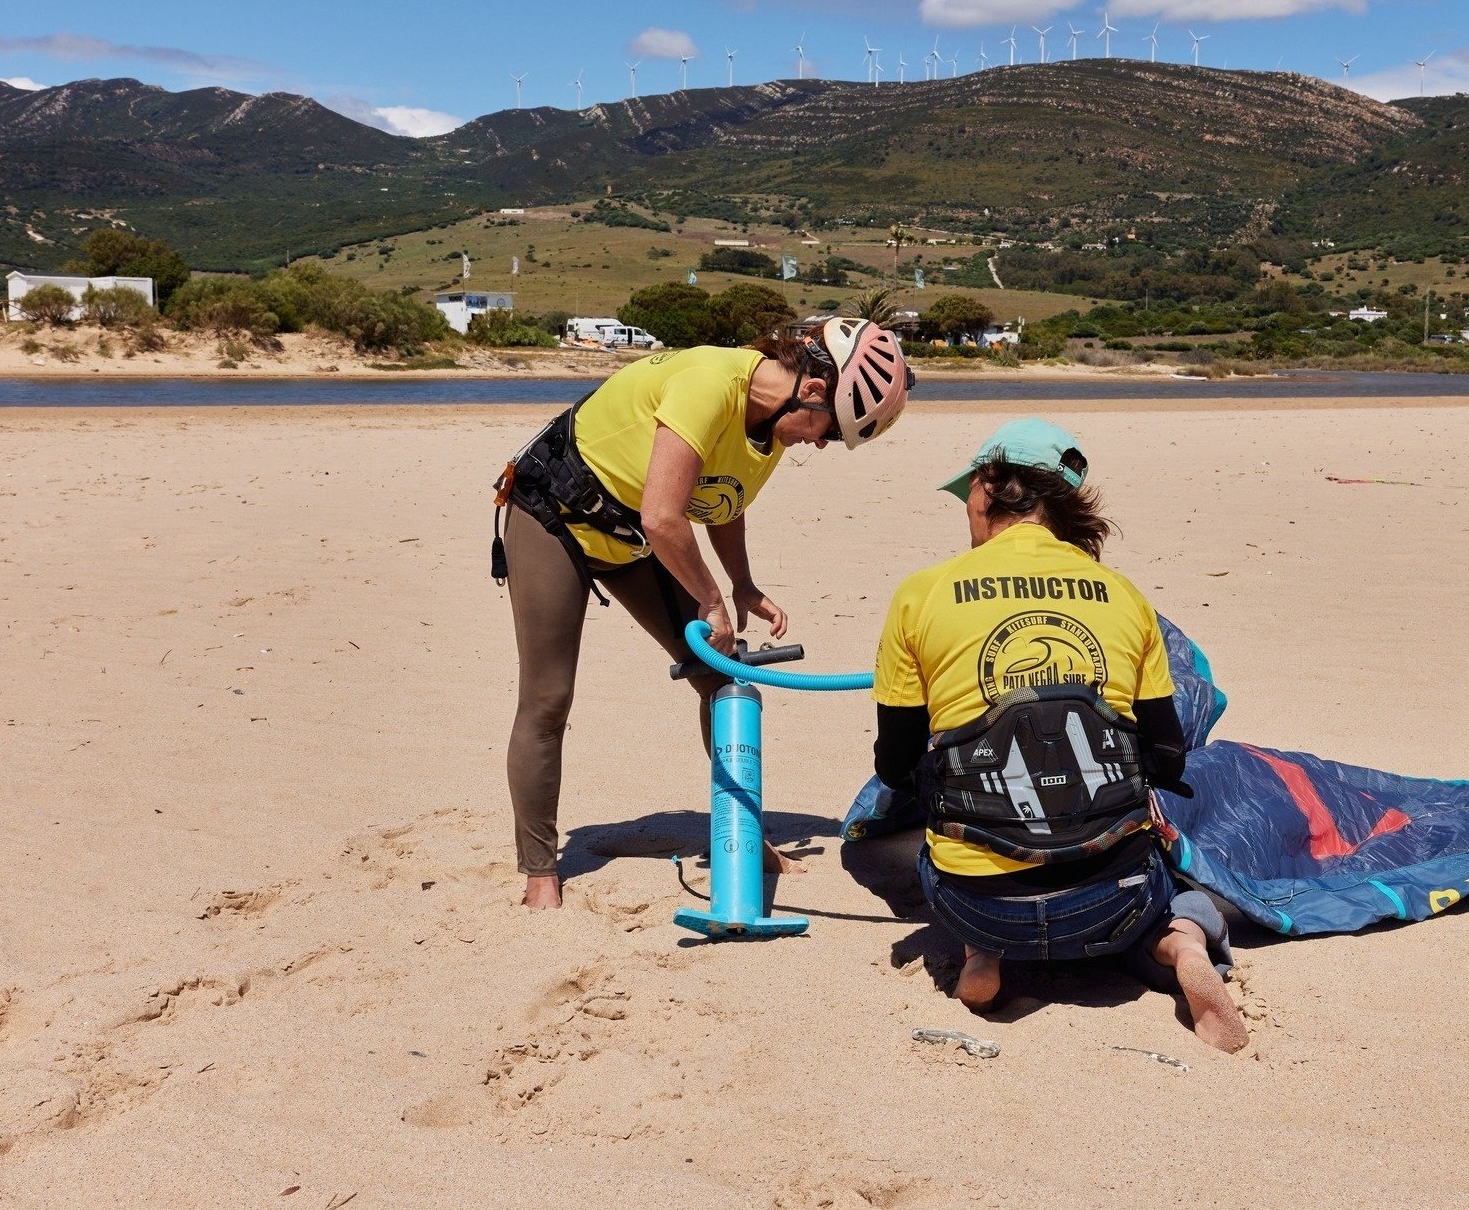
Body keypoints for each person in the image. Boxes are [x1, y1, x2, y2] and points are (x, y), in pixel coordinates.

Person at [495, 317, 912, 909]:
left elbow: (723, 500)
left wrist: (742, 585)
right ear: (813, 389)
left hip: (632, 540)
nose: (821, 444)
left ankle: (741, 837)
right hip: (554, 519)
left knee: (723, 682)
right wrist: (710, 599)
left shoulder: (770, 428)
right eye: (829, 430)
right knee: (548, 697)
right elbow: (664, 517)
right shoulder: (710, 383)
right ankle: (540, 869)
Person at [871, 418, 1247, 1053]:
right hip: (1111, 900)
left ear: (990, 487)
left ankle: (982, 954)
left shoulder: (920, 594)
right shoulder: (1124, 596)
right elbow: (1166, 754)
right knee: (1167, 889)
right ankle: (1181, 943)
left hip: (981, 903)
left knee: (941, 851)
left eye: (969, 490)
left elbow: (894, 763)